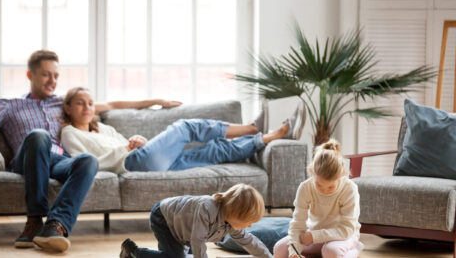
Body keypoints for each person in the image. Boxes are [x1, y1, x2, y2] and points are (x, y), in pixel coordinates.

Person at [0, 50, 181, 253]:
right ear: (30, 75)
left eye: (56, 75)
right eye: (46, 74)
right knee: (39, 135)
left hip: (58, 160)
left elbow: (112, 104)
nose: (52, 80)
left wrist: (156, 101)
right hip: (28, 159)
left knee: (88, 160)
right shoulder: (9, 105)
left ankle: (55, 226)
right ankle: (34, 221)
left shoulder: (63, 102)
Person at [59, 87, 304, 173]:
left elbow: (126, 141)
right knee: (185, 127)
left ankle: (271, 136)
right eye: (80, 103)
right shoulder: (70, 133)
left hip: (147, 159)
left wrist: (137, 139)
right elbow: (82, 163)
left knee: (213, 152)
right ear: (68, 108)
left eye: (90, 103)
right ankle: (252, 127)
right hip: (133, 163)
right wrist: (125, 149)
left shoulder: (103, 128)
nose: (87, 107)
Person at [119, 183, 272, 258]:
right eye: (247, 221)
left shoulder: (233, 223)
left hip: (184, 228)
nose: (250, 225)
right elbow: (198, 241)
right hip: (164, 218)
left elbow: (249, 241)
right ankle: (133, 252)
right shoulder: (207, 208)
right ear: (234, 213)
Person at [273, 139, 363, 258]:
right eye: (319, 185)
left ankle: (355, 249)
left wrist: (315, 236)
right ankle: (318, 253)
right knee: (279, 249)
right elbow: (298, 224)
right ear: (311, 172)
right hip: (314, 233)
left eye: (330, 187)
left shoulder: (349, 189)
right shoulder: (305, 187)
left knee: (331, 251)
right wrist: (294, 251)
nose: (324, 190)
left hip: (344, 235)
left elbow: (347, 229)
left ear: (342, 175)